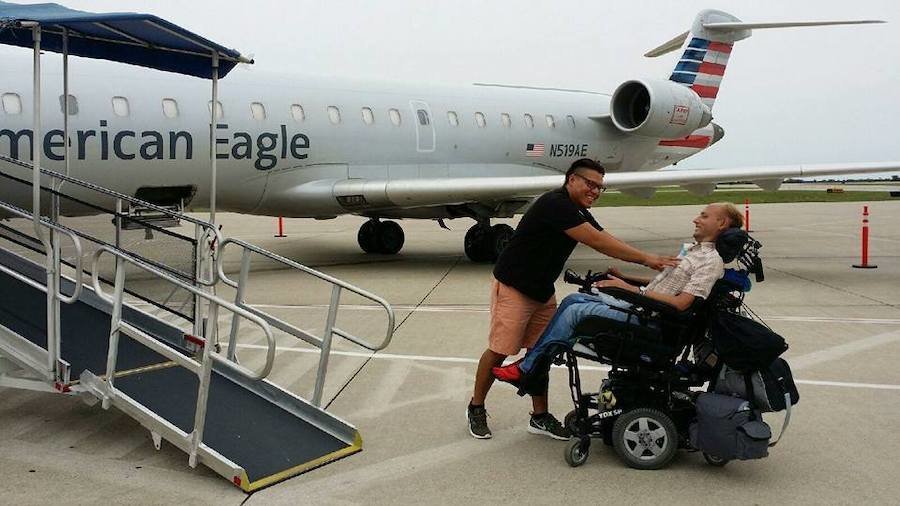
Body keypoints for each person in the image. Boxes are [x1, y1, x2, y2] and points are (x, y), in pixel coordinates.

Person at [466, 158, 680, 440]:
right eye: (590, 184)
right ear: (571, 180)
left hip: (541, 290)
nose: (595, 191)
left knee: (542, 351)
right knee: (500, 350)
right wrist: (647, 259)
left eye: (600, 187)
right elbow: (597, 242)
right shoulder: (555, 205)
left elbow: (602, 235)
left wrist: (633, 265)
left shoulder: (577, 209)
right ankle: (476, 407)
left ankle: (539, 417)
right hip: (515, 286)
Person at [491, 202, 743, 388]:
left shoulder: (710, 261)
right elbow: (664, 285)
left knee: (576, 310)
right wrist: (624, 278)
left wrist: (629, 290)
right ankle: (532, 366)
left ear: (721, 224)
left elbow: (682, 303)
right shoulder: (693, 252)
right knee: (572, 300)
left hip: (653, 320)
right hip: (645, 308)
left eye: (704, 215)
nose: (696, 219)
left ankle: (528, 369)